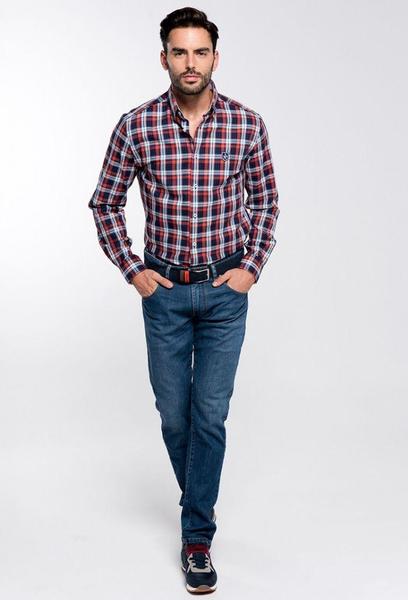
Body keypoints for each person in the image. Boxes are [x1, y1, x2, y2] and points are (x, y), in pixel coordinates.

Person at [88, 6, 279, 594]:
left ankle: (197, 537)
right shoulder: (137, 126)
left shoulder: (246, 125)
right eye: (179, 52)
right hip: (165, 292)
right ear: (164, 58)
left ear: (215, 57)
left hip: (224, 294)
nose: (190, 62)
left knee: (210, 414)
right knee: (175, 414)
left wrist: (250, 268)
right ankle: (200, 497)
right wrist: (134, 271)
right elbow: (105, 203)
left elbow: (266, 202)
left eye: (200, 52)